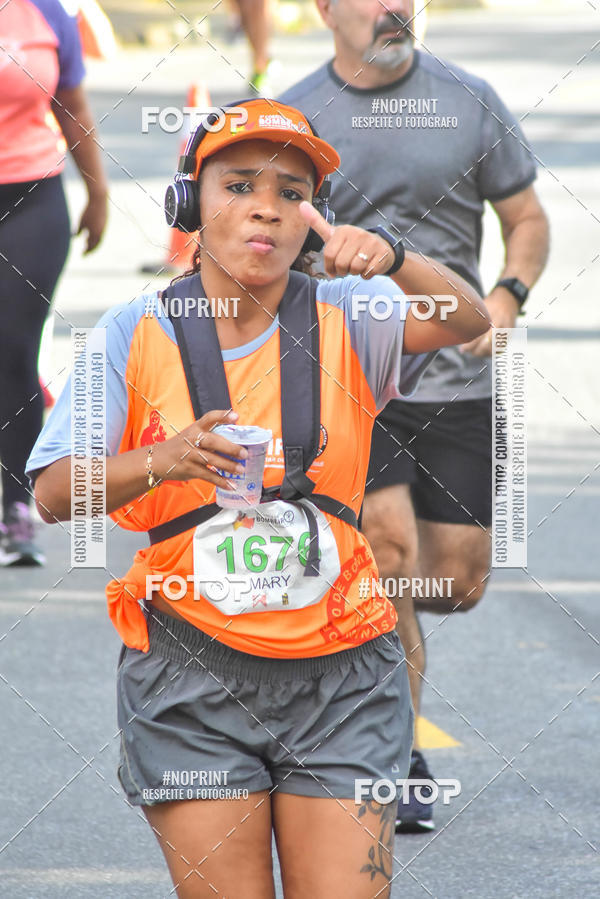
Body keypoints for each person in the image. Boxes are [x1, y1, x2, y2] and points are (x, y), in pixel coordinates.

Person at [27, 99, 489, 897]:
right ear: (188, 203)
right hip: (188, 672)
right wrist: (163, 459)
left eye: (292, 189)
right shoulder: (130, 331)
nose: (265, 206)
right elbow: (54, 494)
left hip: (345, 675)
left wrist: (395, 257)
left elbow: (468, 318)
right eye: (238, 184)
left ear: (317, 215)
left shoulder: (352, 311)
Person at [280, 0, 550, 832]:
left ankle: (351, 637)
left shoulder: (469, 100)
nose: (395, 5)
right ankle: (393, 745)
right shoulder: (294, 117)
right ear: (326, 9)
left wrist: (506, 297)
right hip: (350, 376)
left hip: (454, 375)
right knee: (387, 549)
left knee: (454, 580)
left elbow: (528, 220)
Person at [0, 0, 108, 566]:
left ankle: (15, 509)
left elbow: (72, 105)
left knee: (12, 348)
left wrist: (98, 193)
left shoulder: (45, 12)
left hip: (30, 199)